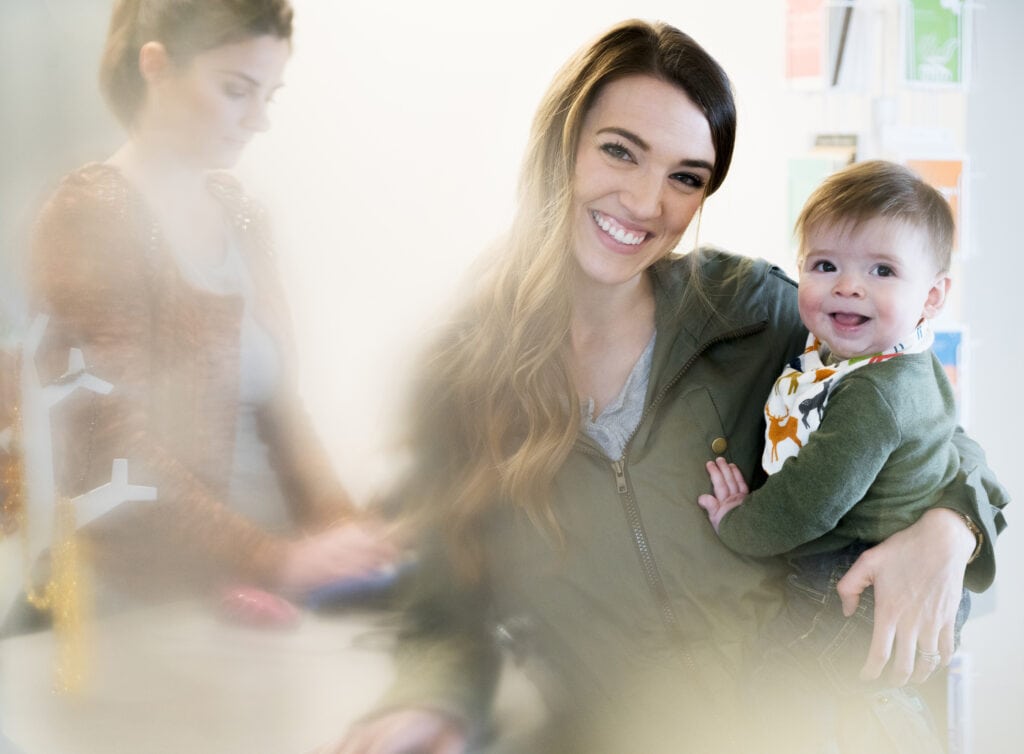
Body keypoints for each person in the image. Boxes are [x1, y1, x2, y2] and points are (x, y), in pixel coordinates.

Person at [325, 20, 1007, 754]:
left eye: (686, 177)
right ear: (564, 146)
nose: (648, 203)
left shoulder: (754, 313)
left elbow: (921, 421)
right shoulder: (463, 372)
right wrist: (431, 706)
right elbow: (443, 613)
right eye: (620, 151)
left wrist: (950, 529)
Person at [25, 0, 395, 611]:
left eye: (269, 96)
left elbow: (282, 410)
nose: (258, 121)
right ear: (157, 67)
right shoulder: (92, 213)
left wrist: (349, 534)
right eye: (235, 90)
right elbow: (109, 447)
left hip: (268, 590)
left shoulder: (240, 214)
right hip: (153, 601)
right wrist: (276, 559)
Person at [697, 159, 975, 751]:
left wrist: (736, 523)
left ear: (932, 296)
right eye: (826, 266)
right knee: (842, 698)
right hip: (873, 576)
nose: (849, 285)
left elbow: (810, 502)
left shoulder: (876, 390)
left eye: (882, 269)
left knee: (780, 687)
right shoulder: (868, 359)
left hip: (852, 583)